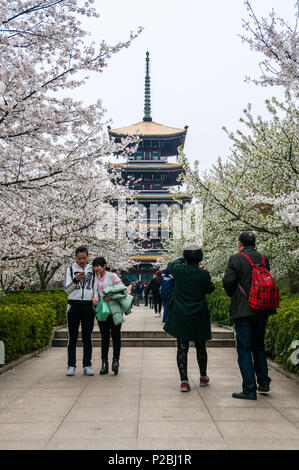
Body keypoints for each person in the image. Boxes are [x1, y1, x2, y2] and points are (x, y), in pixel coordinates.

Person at [222, 231, 277, 400]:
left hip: (244, 310)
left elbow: (228, 282)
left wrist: (235, 295)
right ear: (255, 244)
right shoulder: (263, 259)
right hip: (262, 308)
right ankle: (264, 382)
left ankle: (249, 389)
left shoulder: (236, 258)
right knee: (258, 346)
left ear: (240, 244)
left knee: (244, 349)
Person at [164, 245, 215, 392]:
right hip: (199, 313)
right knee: (200, 345)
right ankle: (203, 376)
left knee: (182, 347)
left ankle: (184, 381)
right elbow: (210, 289)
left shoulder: (179, 270)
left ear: (185, 257)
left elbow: (171, 264)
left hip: (181, 313)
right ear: (200, 258)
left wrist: (183, 259)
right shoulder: (203, 274)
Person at [64, 246, 95, 376]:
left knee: (87, 337)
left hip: (88, 306)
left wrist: (95, 299)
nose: (82, 261)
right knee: (73, 337)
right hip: (73, 305)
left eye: (84, 258)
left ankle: (87, 365)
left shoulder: (92, 269)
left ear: (87, 257)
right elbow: (67, 290)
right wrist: (76, 280)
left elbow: (95, 287)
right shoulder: (70, 269)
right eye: (79, 258)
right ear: (75, 257)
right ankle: (71, 365)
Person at [92, 257, 123, 375]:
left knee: (116, 337)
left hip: (114, 311)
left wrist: (111, 294)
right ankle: (104, 363)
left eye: (98, 265)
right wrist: (93, 298)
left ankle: (116, 360)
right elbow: (94, 292)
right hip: (102, 311)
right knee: (104, 338)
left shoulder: (112, 276)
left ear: (104, 265)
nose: (96, 268)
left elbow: (121, 288)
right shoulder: (95, 278)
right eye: (95, 266)